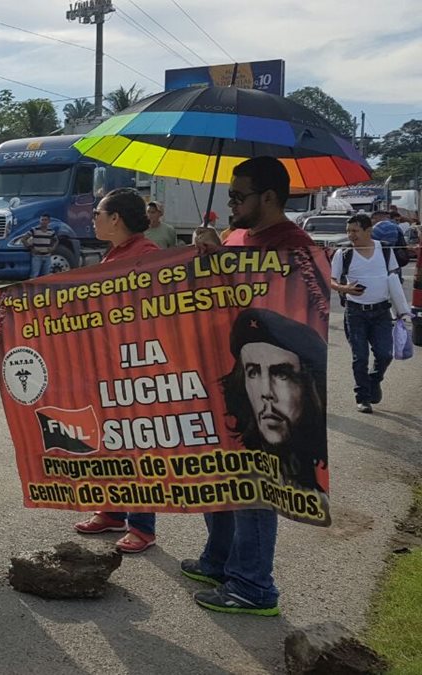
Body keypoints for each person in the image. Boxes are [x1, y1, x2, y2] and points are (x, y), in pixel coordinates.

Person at [182, 155, 317, 618]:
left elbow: (289, 308)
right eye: (229, 196)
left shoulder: (295, 245)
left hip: (267, 385)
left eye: (239, 196)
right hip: (226, 375)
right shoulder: (236, 236)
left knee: (253, 482)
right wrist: (208, 251)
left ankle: (253, 585)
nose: (232, 204)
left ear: (270, 197)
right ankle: (218, 562)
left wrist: (226, 260)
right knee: (220, 472)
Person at [74, 189, 162, 552]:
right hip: (106, 362)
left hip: (136, 365)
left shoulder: (147, 255)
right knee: (110, 440)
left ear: (116, 218)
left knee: (137, 443)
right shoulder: (114, 253)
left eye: (97, 212)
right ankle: (111, 511)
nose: (92, 218)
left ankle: (142, 525)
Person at [222, 307, 329, 492]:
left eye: (281, 374)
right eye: (253, 372)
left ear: (309, 387)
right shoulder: (241, 486)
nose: (266, 392)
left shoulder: (315, 494)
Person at [330, 214, 411, 414]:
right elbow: (331, 280)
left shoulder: (385, 250)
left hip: (382, 312)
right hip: (355, 312)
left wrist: (401, 310)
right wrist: (345, 288)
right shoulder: (343, 253)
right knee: (360, 357)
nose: (351, 235)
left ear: (368, 231)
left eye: (355, 231)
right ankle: (363, 398)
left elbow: (394, 279)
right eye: (348, 231)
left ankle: (374, 381)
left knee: (385, 354)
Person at [20, 214, 58, 279]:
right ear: (40, 221)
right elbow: (23, 239)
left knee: (46, 276)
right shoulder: (34, 230)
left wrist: (53, 248)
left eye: (45, 220)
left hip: (47, 256)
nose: (43, 222)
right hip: (37, 256)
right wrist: (31, 248)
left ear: (49, 221)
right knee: (34, 275)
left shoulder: (51, 231)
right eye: (42, 220)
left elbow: (56, 240)